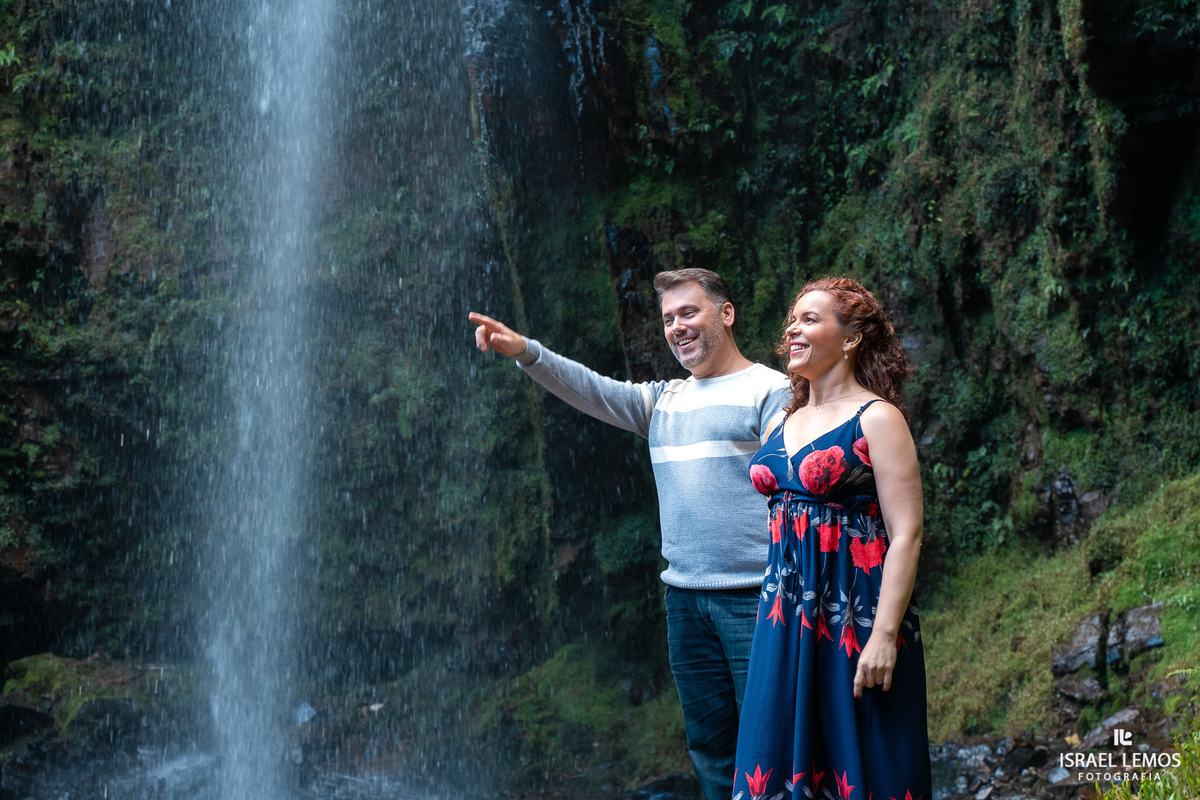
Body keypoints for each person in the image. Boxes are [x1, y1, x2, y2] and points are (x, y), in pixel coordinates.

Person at [470, 268, 789, 800]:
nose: (676, 326)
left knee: (771, 744)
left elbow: (799, 483)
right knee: (711, 749)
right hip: (684, 601)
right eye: (668, 318)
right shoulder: (663, 402)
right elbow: (592, 390)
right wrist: (527, 352)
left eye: (689, 312)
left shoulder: (772, 391)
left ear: (726, 314)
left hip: (756, 598)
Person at [731, 277, 931, 800]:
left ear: (850, 338)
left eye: (810, 319)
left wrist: (884, 635)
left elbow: (907, 533)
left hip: (855, 613)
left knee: (863, 758)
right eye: (792, 320)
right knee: (772, 755)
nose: (792, 330)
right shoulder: (784, 421)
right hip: (784, 615)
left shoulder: (878, 418)